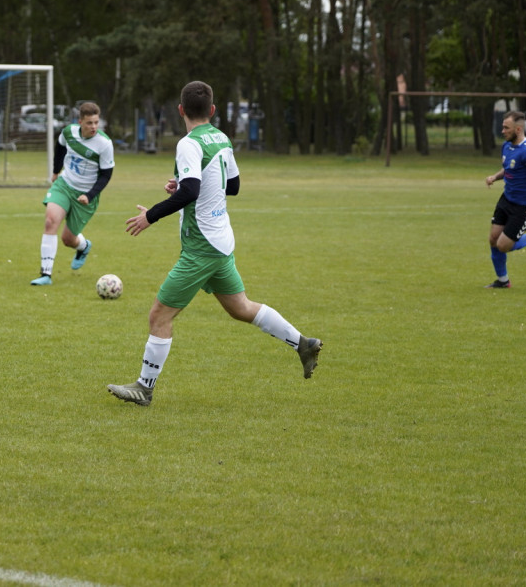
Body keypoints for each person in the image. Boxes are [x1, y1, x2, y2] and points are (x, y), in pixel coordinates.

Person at [106, 81, 322, 407]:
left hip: (202, 247)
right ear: (212, 110)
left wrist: (150, 215)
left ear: (180, 111)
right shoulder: (220, 137)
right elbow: (231, 186)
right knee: (242, 308)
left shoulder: (189, 144)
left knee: (158, 316)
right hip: (222, 241)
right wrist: (183, 184)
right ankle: (303, 344)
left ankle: (144, 388)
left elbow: (192, 191)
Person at [30, 101, 114, 286]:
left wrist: (90, 195)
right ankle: (46, 274)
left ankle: (83, 247)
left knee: (68, 239)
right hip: (64, 184)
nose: (93, 127)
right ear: (80, 122)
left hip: (85, 196)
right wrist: (55, 171)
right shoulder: (69, 132)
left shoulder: (104, 144)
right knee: (50, 221)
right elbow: (60, 147)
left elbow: (106, 175)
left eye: (96, 122)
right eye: (89, 123)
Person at [484, 110, 526, 288]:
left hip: (524, 206)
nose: (502, 130)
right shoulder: (507, 146)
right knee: (493, 240)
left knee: (503, 245)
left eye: (506, 127)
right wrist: (495, 177)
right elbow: (510, 169)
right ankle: (503, 281)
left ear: (518, 129)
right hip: (506, 199)